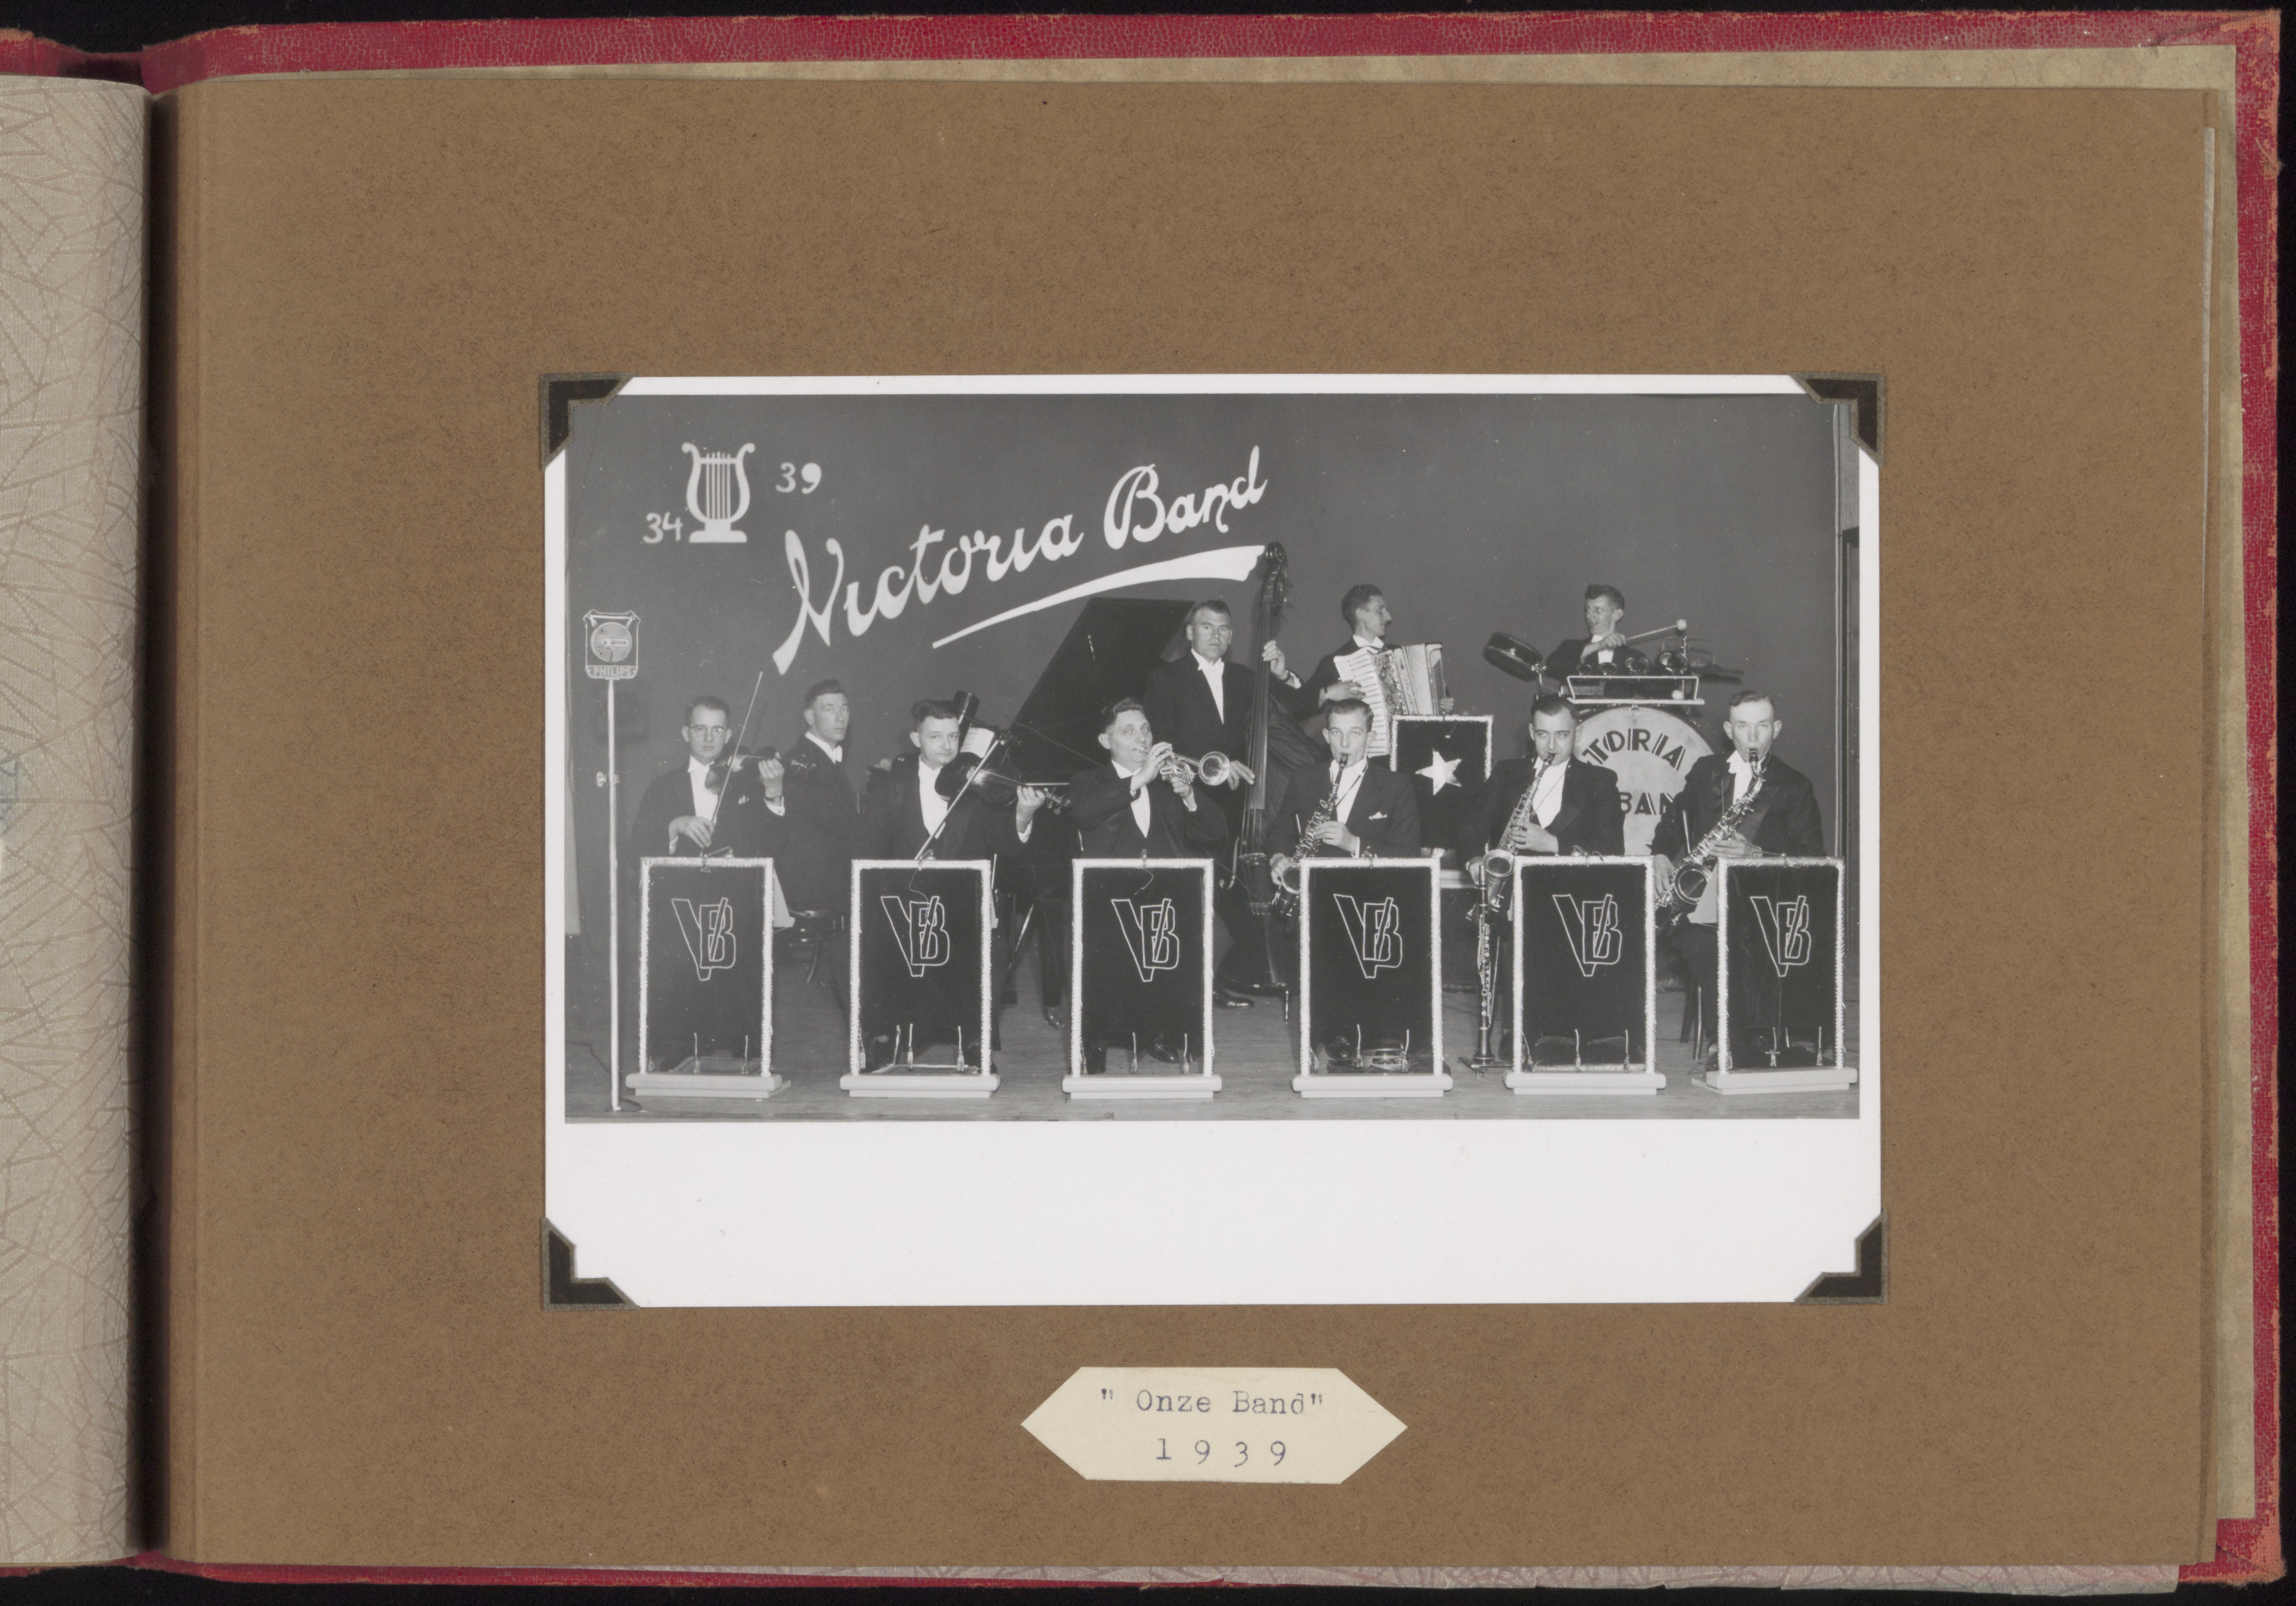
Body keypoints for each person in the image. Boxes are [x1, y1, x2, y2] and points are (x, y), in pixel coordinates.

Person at [1650, 690, 1826, 1060]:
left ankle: (1742, 1040)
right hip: (1702, 904)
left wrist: (1755, 854)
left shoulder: (1795, 786)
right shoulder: (1705, 771)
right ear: (1730, 730)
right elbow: (1671, 822)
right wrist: (1662, 857)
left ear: (1776, 729)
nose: (1753, 737)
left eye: (1762, 726)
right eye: (1743, 727)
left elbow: (1813, 860)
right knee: (1704, 944)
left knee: (1743, 946)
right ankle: (1732, 1039)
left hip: (1764, 907)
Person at [1140, 600, 1274, 1006]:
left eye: (1224, 628)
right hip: (1186, 800)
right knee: (1197, 893)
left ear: (1231, 635)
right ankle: (1199, 983)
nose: (1216, 635)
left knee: (1225, 891)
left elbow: (1288, 709)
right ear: (1190, 633)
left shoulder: (1244, 677)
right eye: (1207, 627)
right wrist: (1212, 767)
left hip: (1232, 803)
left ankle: (1221, 974)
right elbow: (1161, 743)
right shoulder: (1165, 678)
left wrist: (1294, 678)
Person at [858, 699, 1050, 861]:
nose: (947, 746)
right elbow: (869, 853)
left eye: (953, 736)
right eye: (936, 737)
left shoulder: (975, 785)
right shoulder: (889, 789)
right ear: (916, 739)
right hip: (908, 894)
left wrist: (1024, 815)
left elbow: (1007, 847)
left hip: (964, 892)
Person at [1458, 695, 1624, 870]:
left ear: (1578, 734)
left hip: (1574, 884)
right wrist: (1474, 860)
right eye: (1543, 734)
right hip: (1511, 883)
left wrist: (1554, 844)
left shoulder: (1600, 781)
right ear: (1532, 732)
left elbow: (1613, 847)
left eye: (1561, 735)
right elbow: (1471, 828)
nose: (1551, 746)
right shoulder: (1506, 772)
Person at [1267, 697, 1422, 875]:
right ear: (1327, 736)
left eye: (1355, 733)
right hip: (1313, 884)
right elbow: (1278, 834)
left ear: (1370, 738)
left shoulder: (1397, 785)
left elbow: (1409, 854)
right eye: (1336, 733)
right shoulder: (1303, 777)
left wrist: (1354, 844)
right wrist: (1278, 858)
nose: (1344, 743)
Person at [627, 695, 787, 864]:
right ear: (686, 734)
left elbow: (774, 848)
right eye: (700, 729)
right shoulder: (662, 788)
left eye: (717, 730)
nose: (709, 738)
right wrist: (675, 826)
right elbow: (635, 855)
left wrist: (774, 790)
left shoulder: (746, 783)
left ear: (727, 736)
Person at [1065, 700, 1228, 859]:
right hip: (1112, 877)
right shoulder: (1087, 780)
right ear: (1106, 741)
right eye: (1128, 731)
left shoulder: (1168, 783)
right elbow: (1082, 815)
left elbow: (1215, 832)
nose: (1142, 738)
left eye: (1145, 729)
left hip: (1169, 877)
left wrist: (1189, 795)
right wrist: (1140, 779)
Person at [778, 678, 859, 915]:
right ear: (810, 717)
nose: (840, 718)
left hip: (827, 887)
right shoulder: (802, 761)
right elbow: (839, 823)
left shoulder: (824, 758)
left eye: (844, 709)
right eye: (830, 709)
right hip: (812, 893)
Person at [1547, 584, 1635, 684]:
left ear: (1617, 614)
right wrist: (1600, 645)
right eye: (1587, 610)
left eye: (1598, 610)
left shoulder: (1633, 657)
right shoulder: (1570, 647)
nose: (1589, 616)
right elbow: (1551, 668)